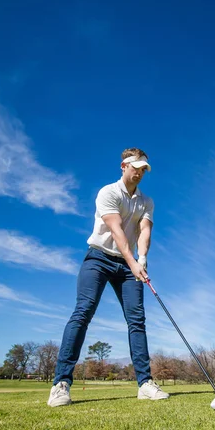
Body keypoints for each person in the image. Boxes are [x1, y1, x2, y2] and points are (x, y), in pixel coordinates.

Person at [47, 148, 169, 407]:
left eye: (143, 168)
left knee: (137, 320)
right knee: (84, 311)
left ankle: (145, 383)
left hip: (129, 267)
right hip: (99, 258)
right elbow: (116, 232)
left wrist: (143, 258)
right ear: (123, 165)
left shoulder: (146, 201)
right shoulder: (108, 193)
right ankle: (61, 384)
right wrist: (133, 261)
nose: (139, 172)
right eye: (135, 166)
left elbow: (144, 230)